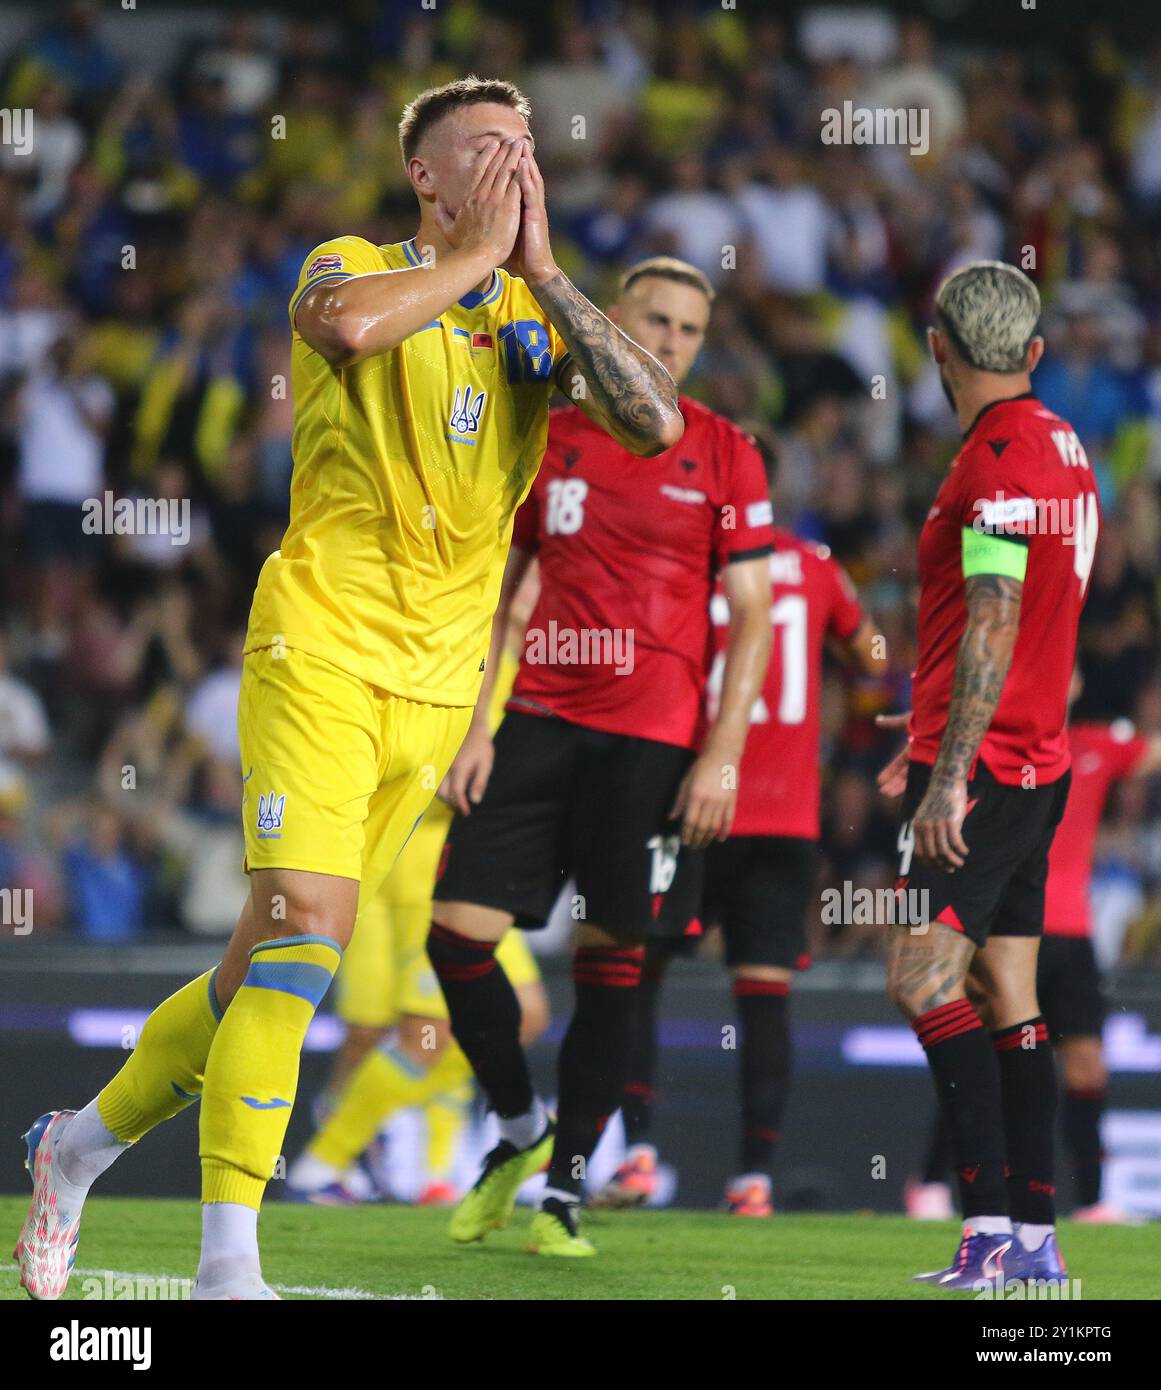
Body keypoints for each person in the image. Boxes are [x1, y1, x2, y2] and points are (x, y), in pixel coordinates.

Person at [14, 75, 683, 1302]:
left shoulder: (532, 325)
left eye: (526, 150)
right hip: (318, 645)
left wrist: (539, 271)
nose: (512, 164)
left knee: (258, 973)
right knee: (305, 931)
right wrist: (478, 254)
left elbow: (653, 421)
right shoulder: (354, 262)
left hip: (433, 695)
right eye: (483, 148)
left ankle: (77, 1147)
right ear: (424, 175)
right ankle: (229, 1267)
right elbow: (348, 330)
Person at [428, 256, 775, 1256]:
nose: (667, 342)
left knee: (611, 963)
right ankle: (518, 1128)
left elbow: (751, 617)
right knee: (454, 935)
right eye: (652, 321)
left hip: (655, 744)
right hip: (538, 718)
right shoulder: (553, 436)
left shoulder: (723, 452)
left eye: (686, 329)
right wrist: (474, 722)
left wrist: (722, 756)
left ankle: (566, 1193)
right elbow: (509, 592)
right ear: (607, 323)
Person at [879, 260, 1100, 1289]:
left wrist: (946, 772)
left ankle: (985, 1234)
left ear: (938, 349)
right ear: (1035, 353)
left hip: (988, 763)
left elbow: (998, 615)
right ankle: (1038, 1244)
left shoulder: (994, 464)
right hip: (1038, 756)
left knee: (921, 974)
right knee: (1006, 985)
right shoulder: (1063, 445)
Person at [600, 431, 883, 1215]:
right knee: (761, 997)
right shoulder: (818, 567)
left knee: (637, 977)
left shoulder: (682, 562)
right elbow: (870, 656)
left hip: (687, 798)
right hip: (783, 820)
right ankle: (753, 1176)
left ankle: (639, 1156)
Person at [285, 566, 550, 1206]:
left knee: (476, 1022)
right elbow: (440, 766)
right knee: (420, 1030)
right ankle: (326, 1161)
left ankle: (419, 1161)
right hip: (426, 868)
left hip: (461, 864)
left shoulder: (516, 659)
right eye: (538, 575)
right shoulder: (462, 653)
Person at [901, 671, 1161, 1223]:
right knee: (983, 1059)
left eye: (1068, 671)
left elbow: (1152, 753)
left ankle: (1090, 1201)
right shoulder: (991, 746)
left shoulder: (1094, 746)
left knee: (1086, 1065)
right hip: (1006, 927)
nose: (1062, 679)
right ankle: (930, 1182)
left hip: (1071, 933)